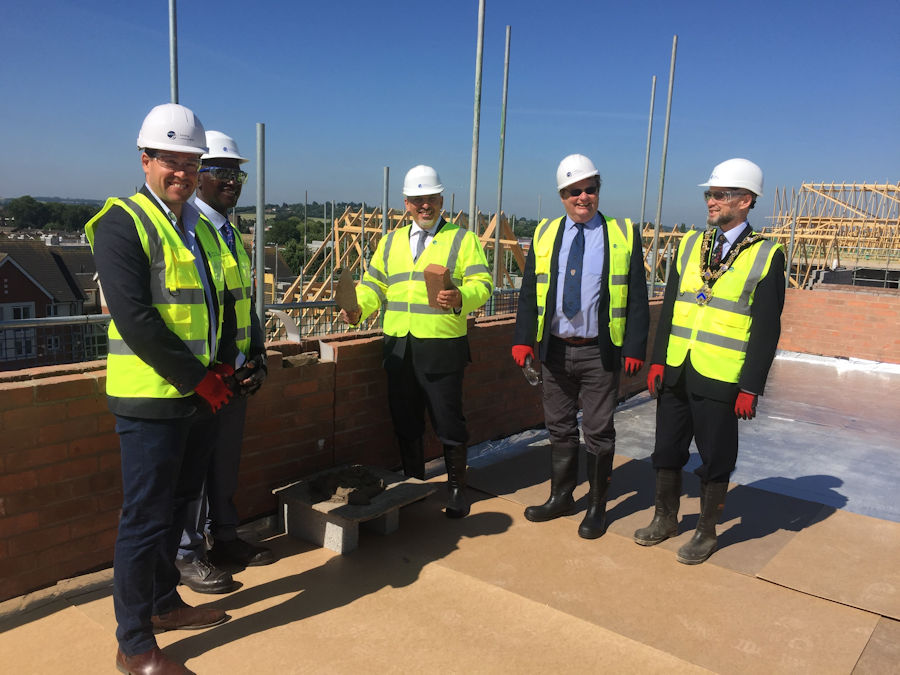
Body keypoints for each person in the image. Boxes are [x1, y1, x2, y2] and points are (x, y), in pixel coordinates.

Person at [85, 103, 238, 674]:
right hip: (151, 399)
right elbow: (135, 318)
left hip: (198, 396)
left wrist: (219, 368)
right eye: (170, 161)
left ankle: (163, 603)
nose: (183, 172)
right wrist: (199, 378)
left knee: (177, 510)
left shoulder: (193, 226)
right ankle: (133, 644)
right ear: (145, 160)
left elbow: (214, 304)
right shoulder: (122, 221)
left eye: (191, 162)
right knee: (145, 519)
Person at [634, 158, 785, 564]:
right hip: (678, 366)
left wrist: (751, 385)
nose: (711, 201)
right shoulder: (688, 245)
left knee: (716, 456)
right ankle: (664, 517)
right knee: (666, 447)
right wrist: (659, 360)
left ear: (747, 200)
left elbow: (767, 329)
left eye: (720, 194)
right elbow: (669, 307)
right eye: (710, 195)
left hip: (721, 374)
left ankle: (705, 530)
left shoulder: (766, 255)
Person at [340, 165, 493, 518]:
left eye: (431, 199)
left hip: (441, 346)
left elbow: (483, 284)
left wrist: (460, 297)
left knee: (448, 421)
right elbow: (374, 285)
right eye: (417, 200)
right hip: (398, 346)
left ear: (441, 200)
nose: (425, 206)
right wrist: (358, 309)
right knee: (405, 420)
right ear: (406, 204)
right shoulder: (390, 241)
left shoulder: (461, 239)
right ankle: (413, 484)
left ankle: (456, 488)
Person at [512, 154, 649, 539]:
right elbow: (529, 293)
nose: (583, 197)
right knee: (558, 427)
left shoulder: (621, 233)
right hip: (554, 349)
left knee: (599, 429)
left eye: (591, 189)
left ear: (598, 191)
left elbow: (637, 295)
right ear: (562, 195)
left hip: (598, 351)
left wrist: (635, 346)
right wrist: (523, 340)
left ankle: (597, 506)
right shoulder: (545, 233)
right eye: (575, 191)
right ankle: (562, 496)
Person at [176, 131, 273, 595]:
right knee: (193, 471)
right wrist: (208, 370)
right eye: (223, 172)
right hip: (203, 376)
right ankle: (188, 556)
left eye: (238, 173)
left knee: (224, 466)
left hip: (234, 371)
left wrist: (257, 352)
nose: (233, 182)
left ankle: (226, 539)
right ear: (199, 177)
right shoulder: (190, 228)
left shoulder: (230, 231)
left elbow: (240, 301)